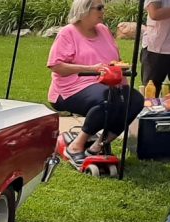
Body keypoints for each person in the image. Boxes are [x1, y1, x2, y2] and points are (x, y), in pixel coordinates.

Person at [47, 0, 146, 165]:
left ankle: (98, 145)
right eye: (99, 8)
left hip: (107, 84)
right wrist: (91, 68)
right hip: (71, 88)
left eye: (103, 7)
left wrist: (123, 81)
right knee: (108, 99)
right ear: (84, 10)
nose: (103, 11)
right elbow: (56, 66)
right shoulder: (68, 33)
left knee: (134, 100)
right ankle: (76, 146)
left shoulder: (103, 30)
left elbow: (115, 60)